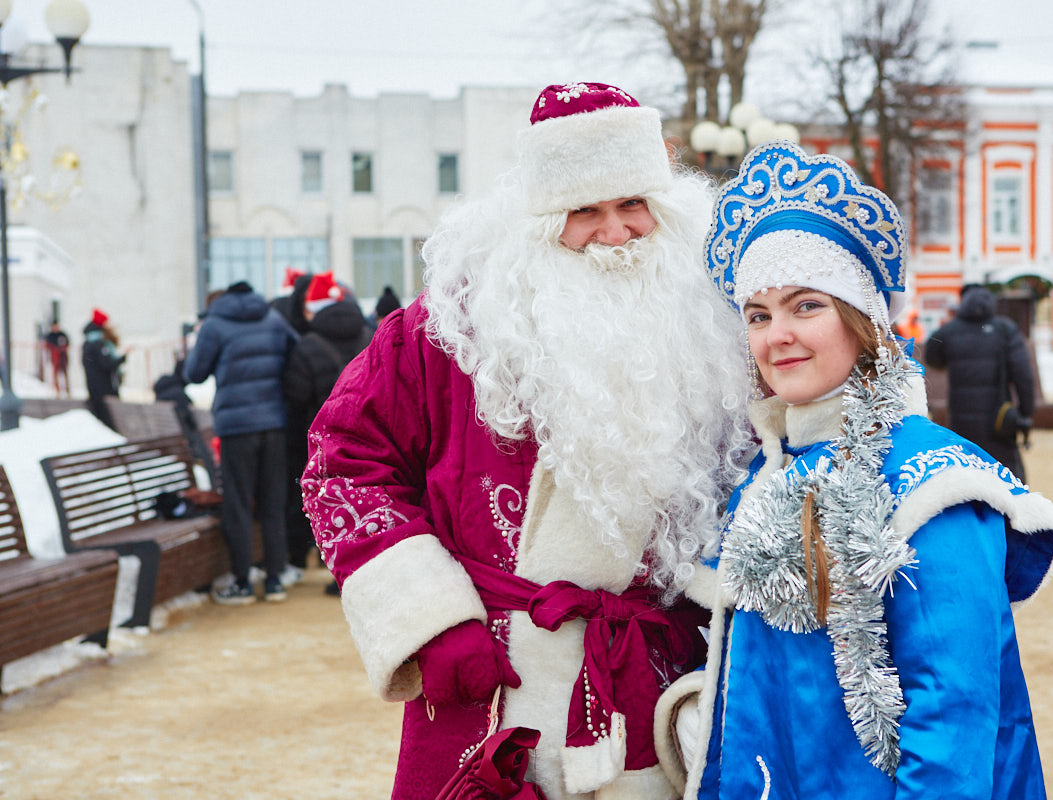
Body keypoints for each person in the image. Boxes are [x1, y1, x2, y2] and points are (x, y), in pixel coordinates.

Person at [301, 81, 750, 799]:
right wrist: (431, 621)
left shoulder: (715, 326)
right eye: (584, 210)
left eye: (633, 205)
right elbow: (342, 462)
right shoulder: (446, 330)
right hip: (491, 680)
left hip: (654, 677)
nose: (615, 233)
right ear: (540, 219)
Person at [652, 141, 1053, 800]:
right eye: (758, 315)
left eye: (805, 305)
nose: (775, 335)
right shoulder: (767, 474)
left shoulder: (932, 482)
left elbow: (953, 718)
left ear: (860, 318)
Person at [183, 281, 299, 605]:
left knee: (238, 502)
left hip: (236, 427)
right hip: (275, 423)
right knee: (272, 501)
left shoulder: (215, 325)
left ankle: (242, 581)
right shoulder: (273, 319)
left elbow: (194, 373)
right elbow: (296, 351)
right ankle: (274, 579)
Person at [282, 271, 372, 586]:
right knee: (365, 499)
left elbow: (296, 396)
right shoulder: (369, 334)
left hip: (325, 438)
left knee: (330, 500)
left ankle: (337, 568)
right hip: (369, 431)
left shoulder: (308, 345)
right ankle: (365, 567)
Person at [923, 284, 1036, 482]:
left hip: (961, 419)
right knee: (1007, 477)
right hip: (1000, 421)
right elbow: (1023, 375)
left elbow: (932, 357)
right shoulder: (1005, 330)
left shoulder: (949, 331)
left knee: (968, 472)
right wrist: (1026, 412)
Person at [81, 308, 126, 430]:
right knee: (109, 420)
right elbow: (106, 364)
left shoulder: (87, 343)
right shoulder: (97, 343)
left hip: (94, 388)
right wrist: (123, 358)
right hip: (104, 388)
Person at [43, 322, 71, 397]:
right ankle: (57, 390)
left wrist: (62, 349)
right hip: (55, 357)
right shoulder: (50, 336)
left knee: (65, 373)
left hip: (63, 356)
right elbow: (47, 345)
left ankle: (67, 390)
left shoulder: (62, 334)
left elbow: (67, 343)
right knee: (55, 374)